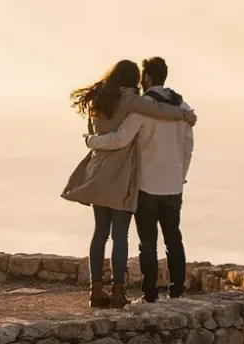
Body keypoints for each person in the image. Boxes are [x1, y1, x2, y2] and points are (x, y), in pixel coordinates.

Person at [63, 60, 195, 307]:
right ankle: (126, 291)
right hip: (133, 179)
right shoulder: (140, 104)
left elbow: (113, 136)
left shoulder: (100, 99)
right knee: (140, 235)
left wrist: (91, 141)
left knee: (107, 233)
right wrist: (185, 117)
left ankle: (104, 290)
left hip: (108, 175)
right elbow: (182, 141)